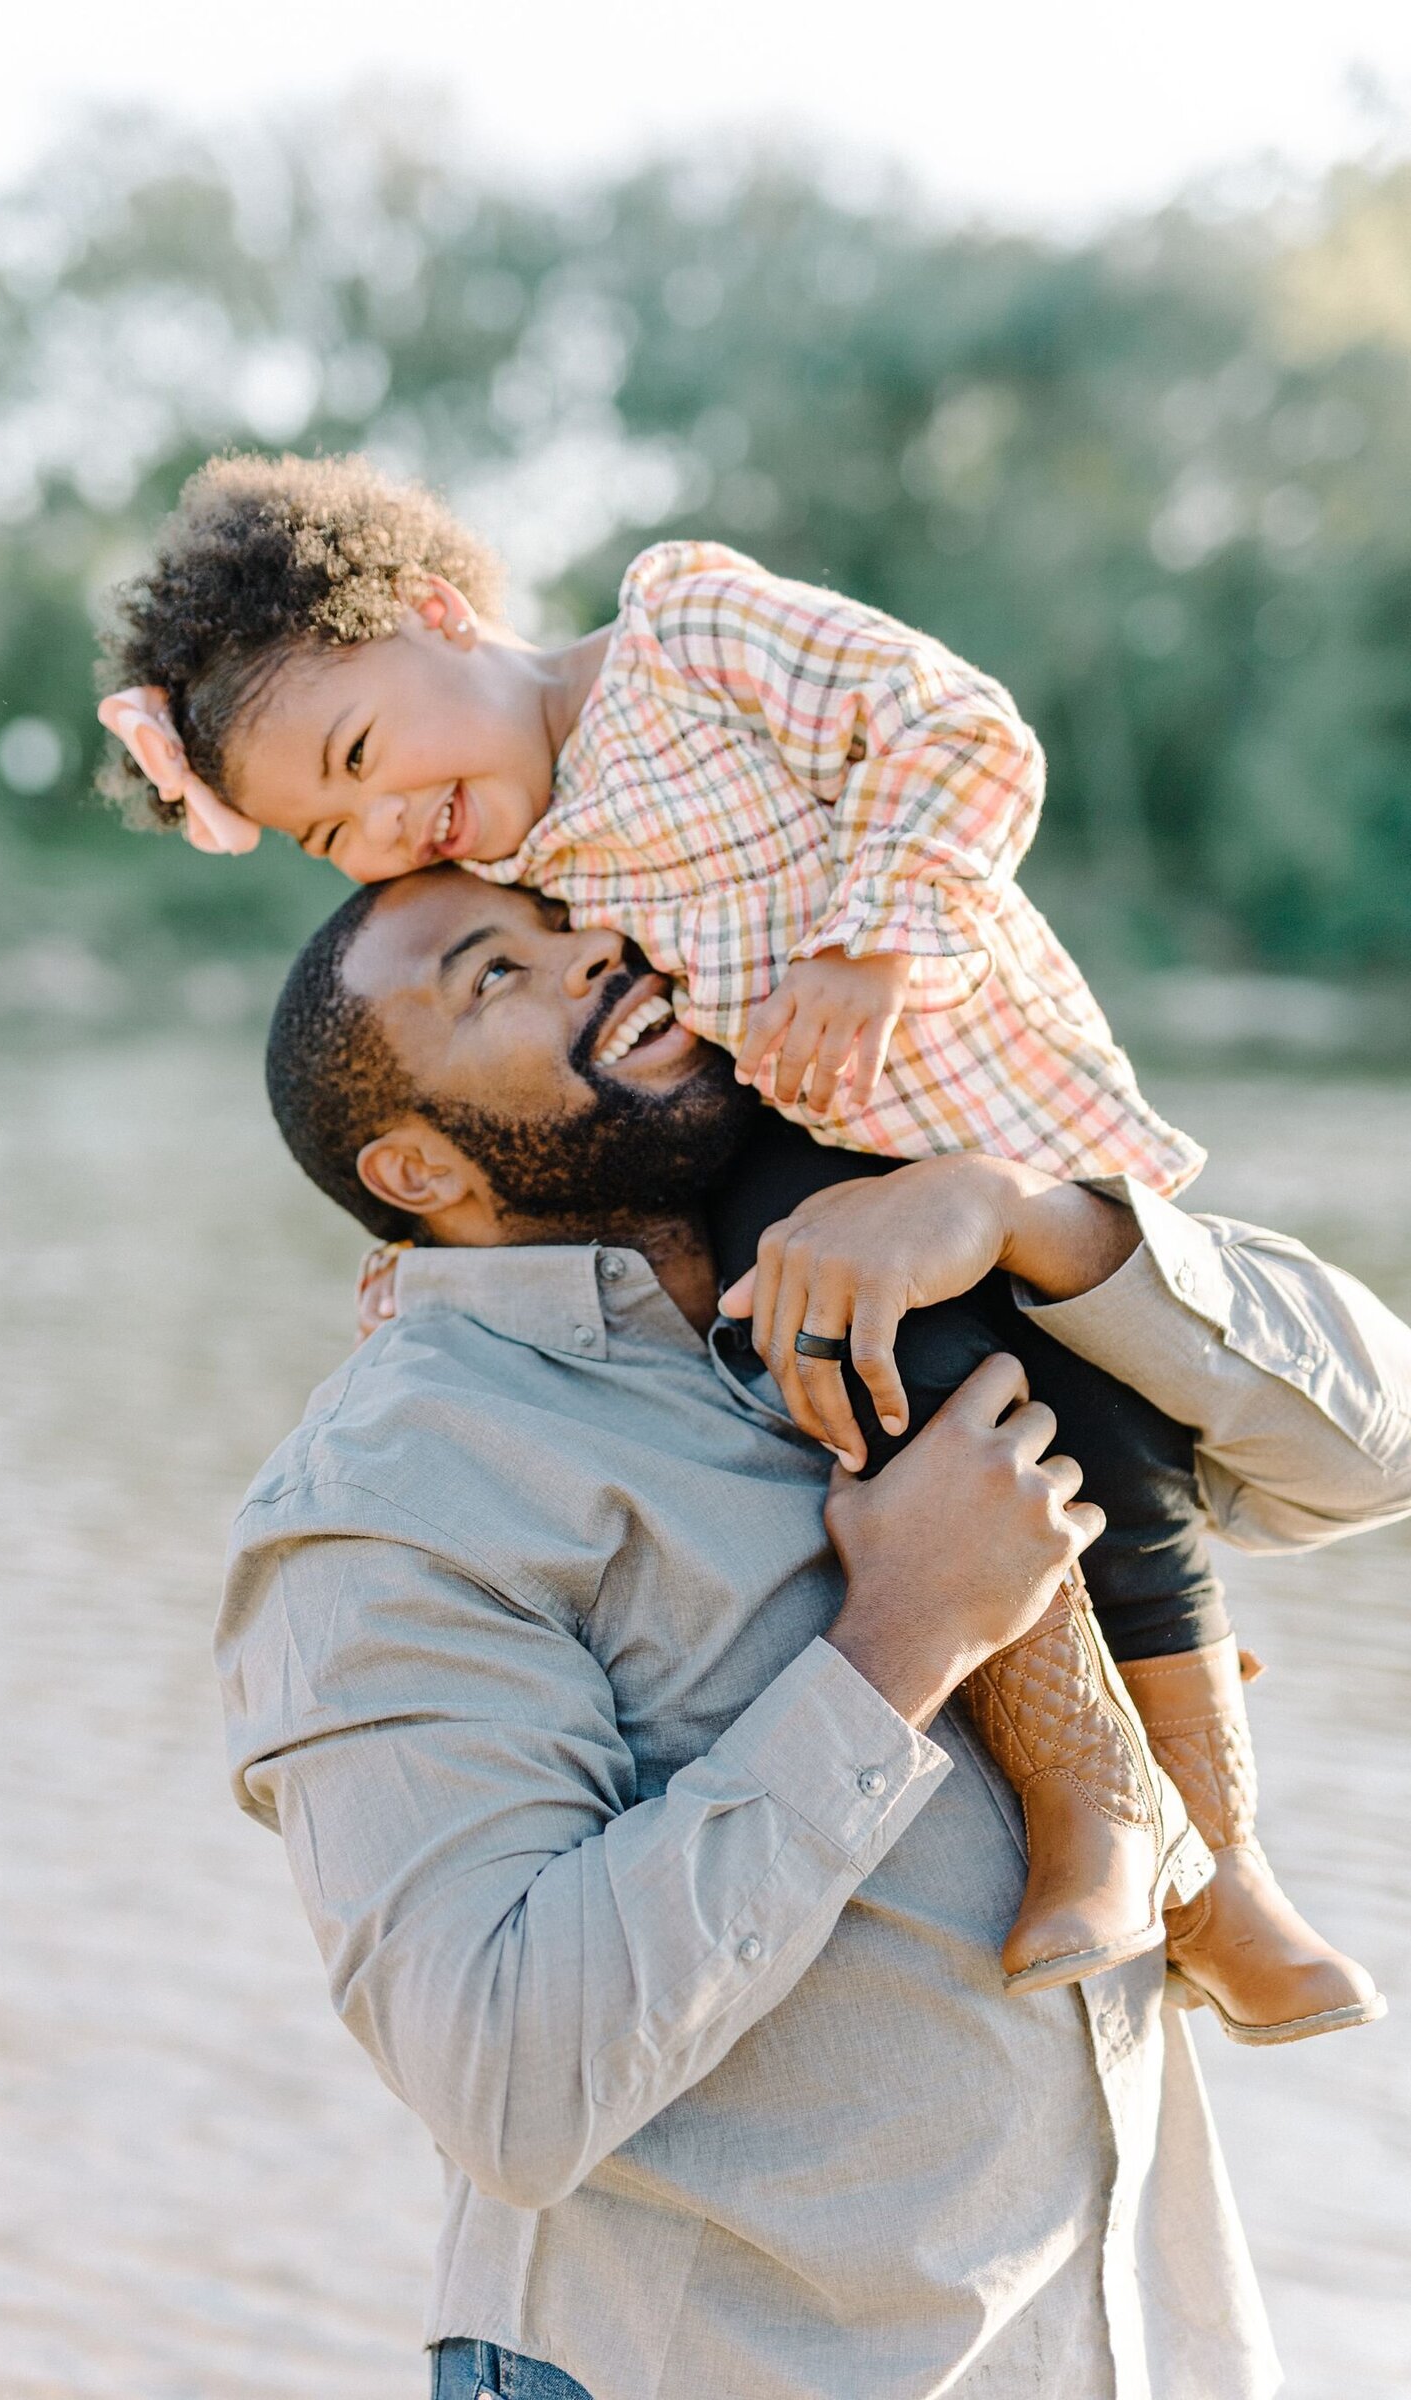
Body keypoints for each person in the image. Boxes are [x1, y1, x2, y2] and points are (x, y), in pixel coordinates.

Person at [101, 456, 1381, 2034]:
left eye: (362, 754)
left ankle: (1229, 1866)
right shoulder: (508, 853)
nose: (383, 826)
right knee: (894, 1382)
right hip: (794, 1155)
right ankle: (1102, 1819)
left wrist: (872, 952)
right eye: (326, 832)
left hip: (969, 1098)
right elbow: (458, 1130)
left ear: (442, 614)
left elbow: (961, 732)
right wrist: (412, 1272)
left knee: (1106, 1439)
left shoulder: (685, 627)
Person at [218, 865, 1411, 2400]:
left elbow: (1372, 1457)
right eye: (491, 975)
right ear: (415, 1164)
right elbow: (507, 2078)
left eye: (570, 919)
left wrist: (1025, 1215)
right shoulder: (390, 1500)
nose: (596, 954)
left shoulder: (910, 1234)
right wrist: (901, 1643)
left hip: (1116, 2348)